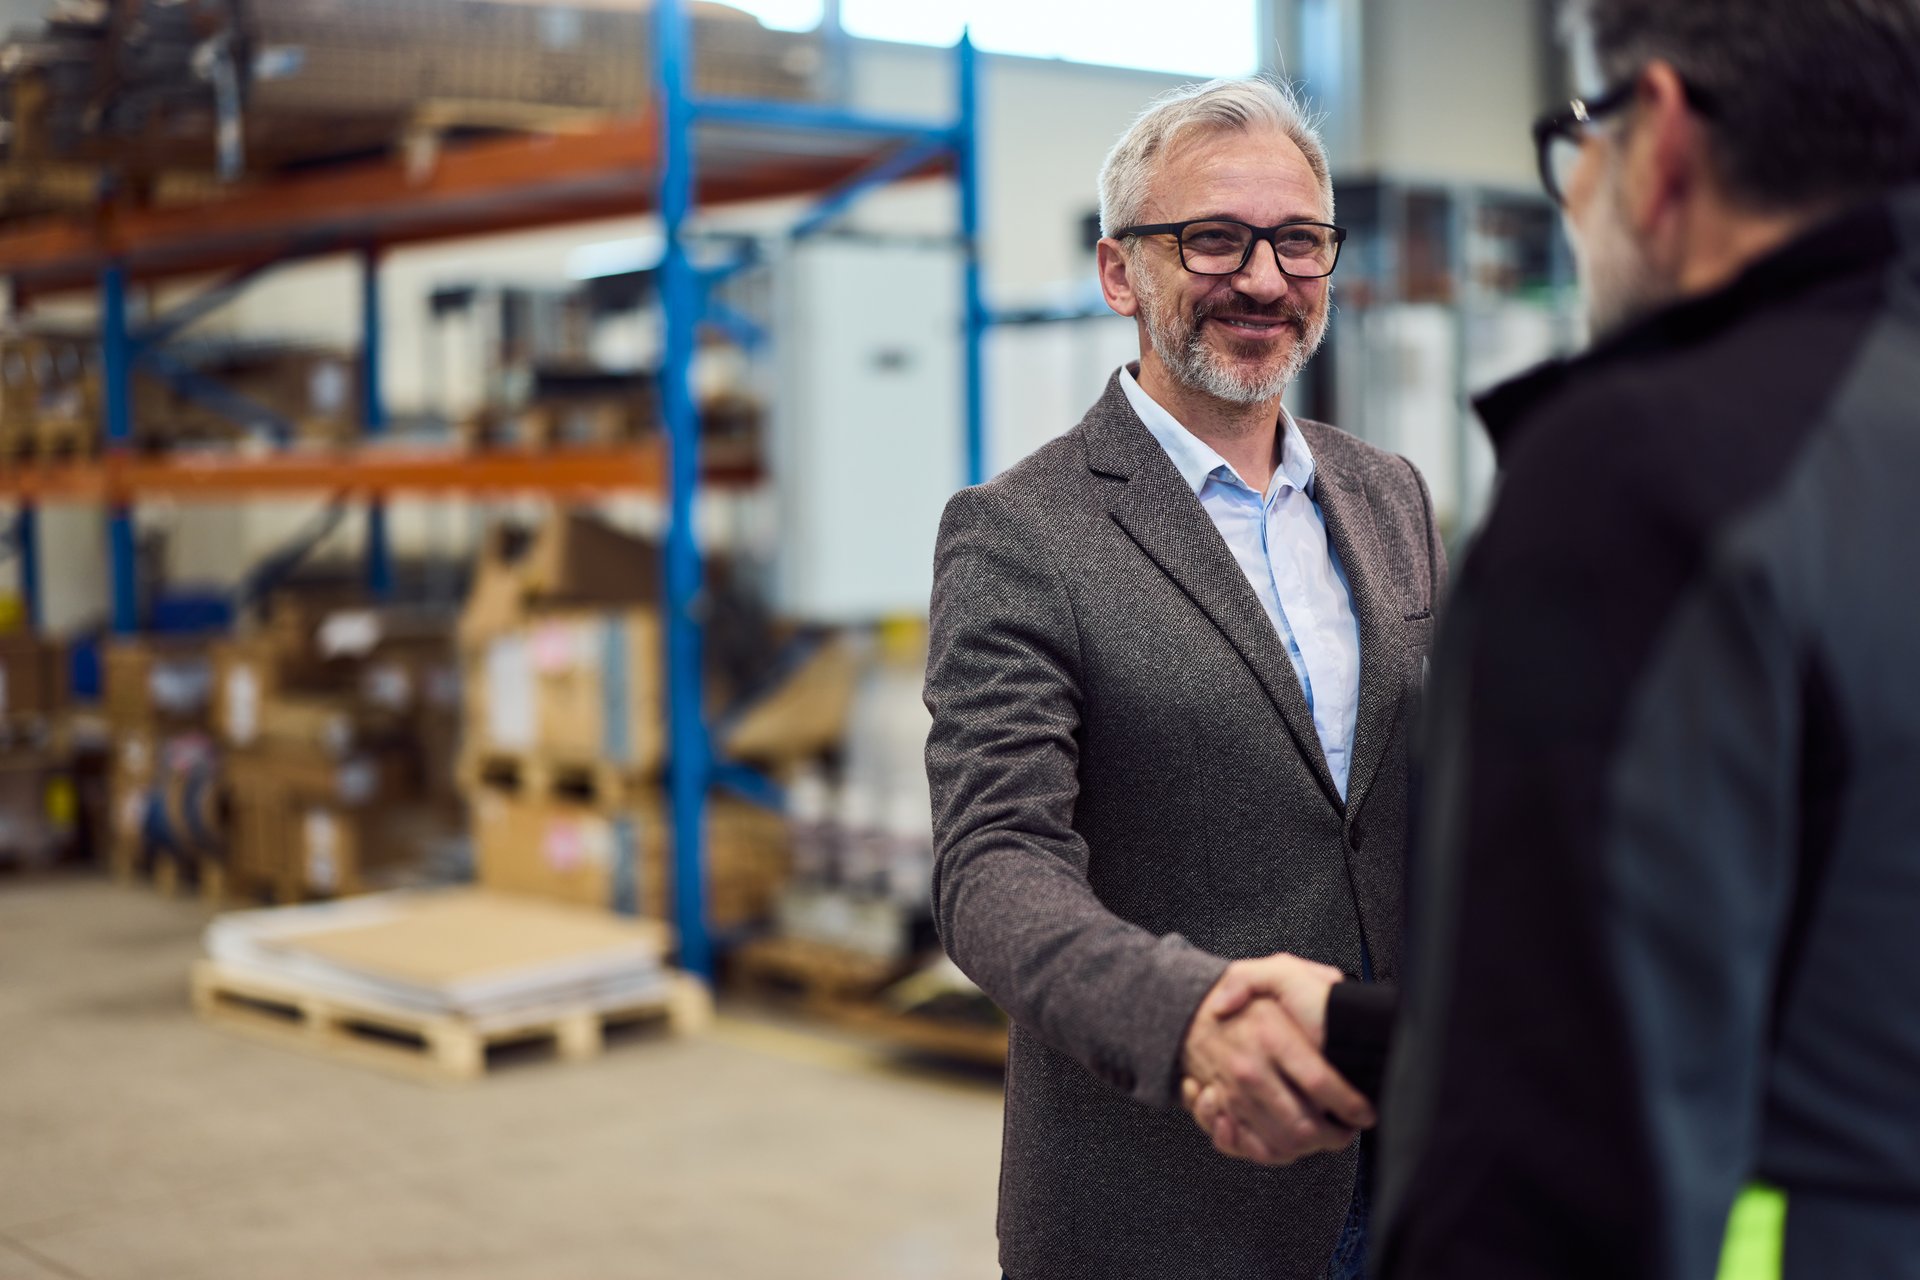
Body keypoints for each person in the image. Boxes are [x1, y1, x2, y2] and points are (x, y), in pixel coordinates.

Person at [1200, 1, 1920, 1276]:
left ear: (1666, 141)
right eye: (1215, 239)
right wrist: (1397, 1043)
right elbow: (1815, 957)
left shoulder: (1651, 474)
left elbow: (1566, 1145)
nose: (1264, 276)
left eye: (1579, 134)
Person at [923, 77, 1446, 1280]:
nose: (1263, 278)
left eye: (1298, 240)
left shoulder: (1390, 496)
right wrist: (1192, 1017)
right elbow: (993, 863)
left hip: (1416, 1174)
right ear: (1120, 274)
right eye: (1211, 237)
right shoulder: (1022, 531)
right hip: (1169, 1197)